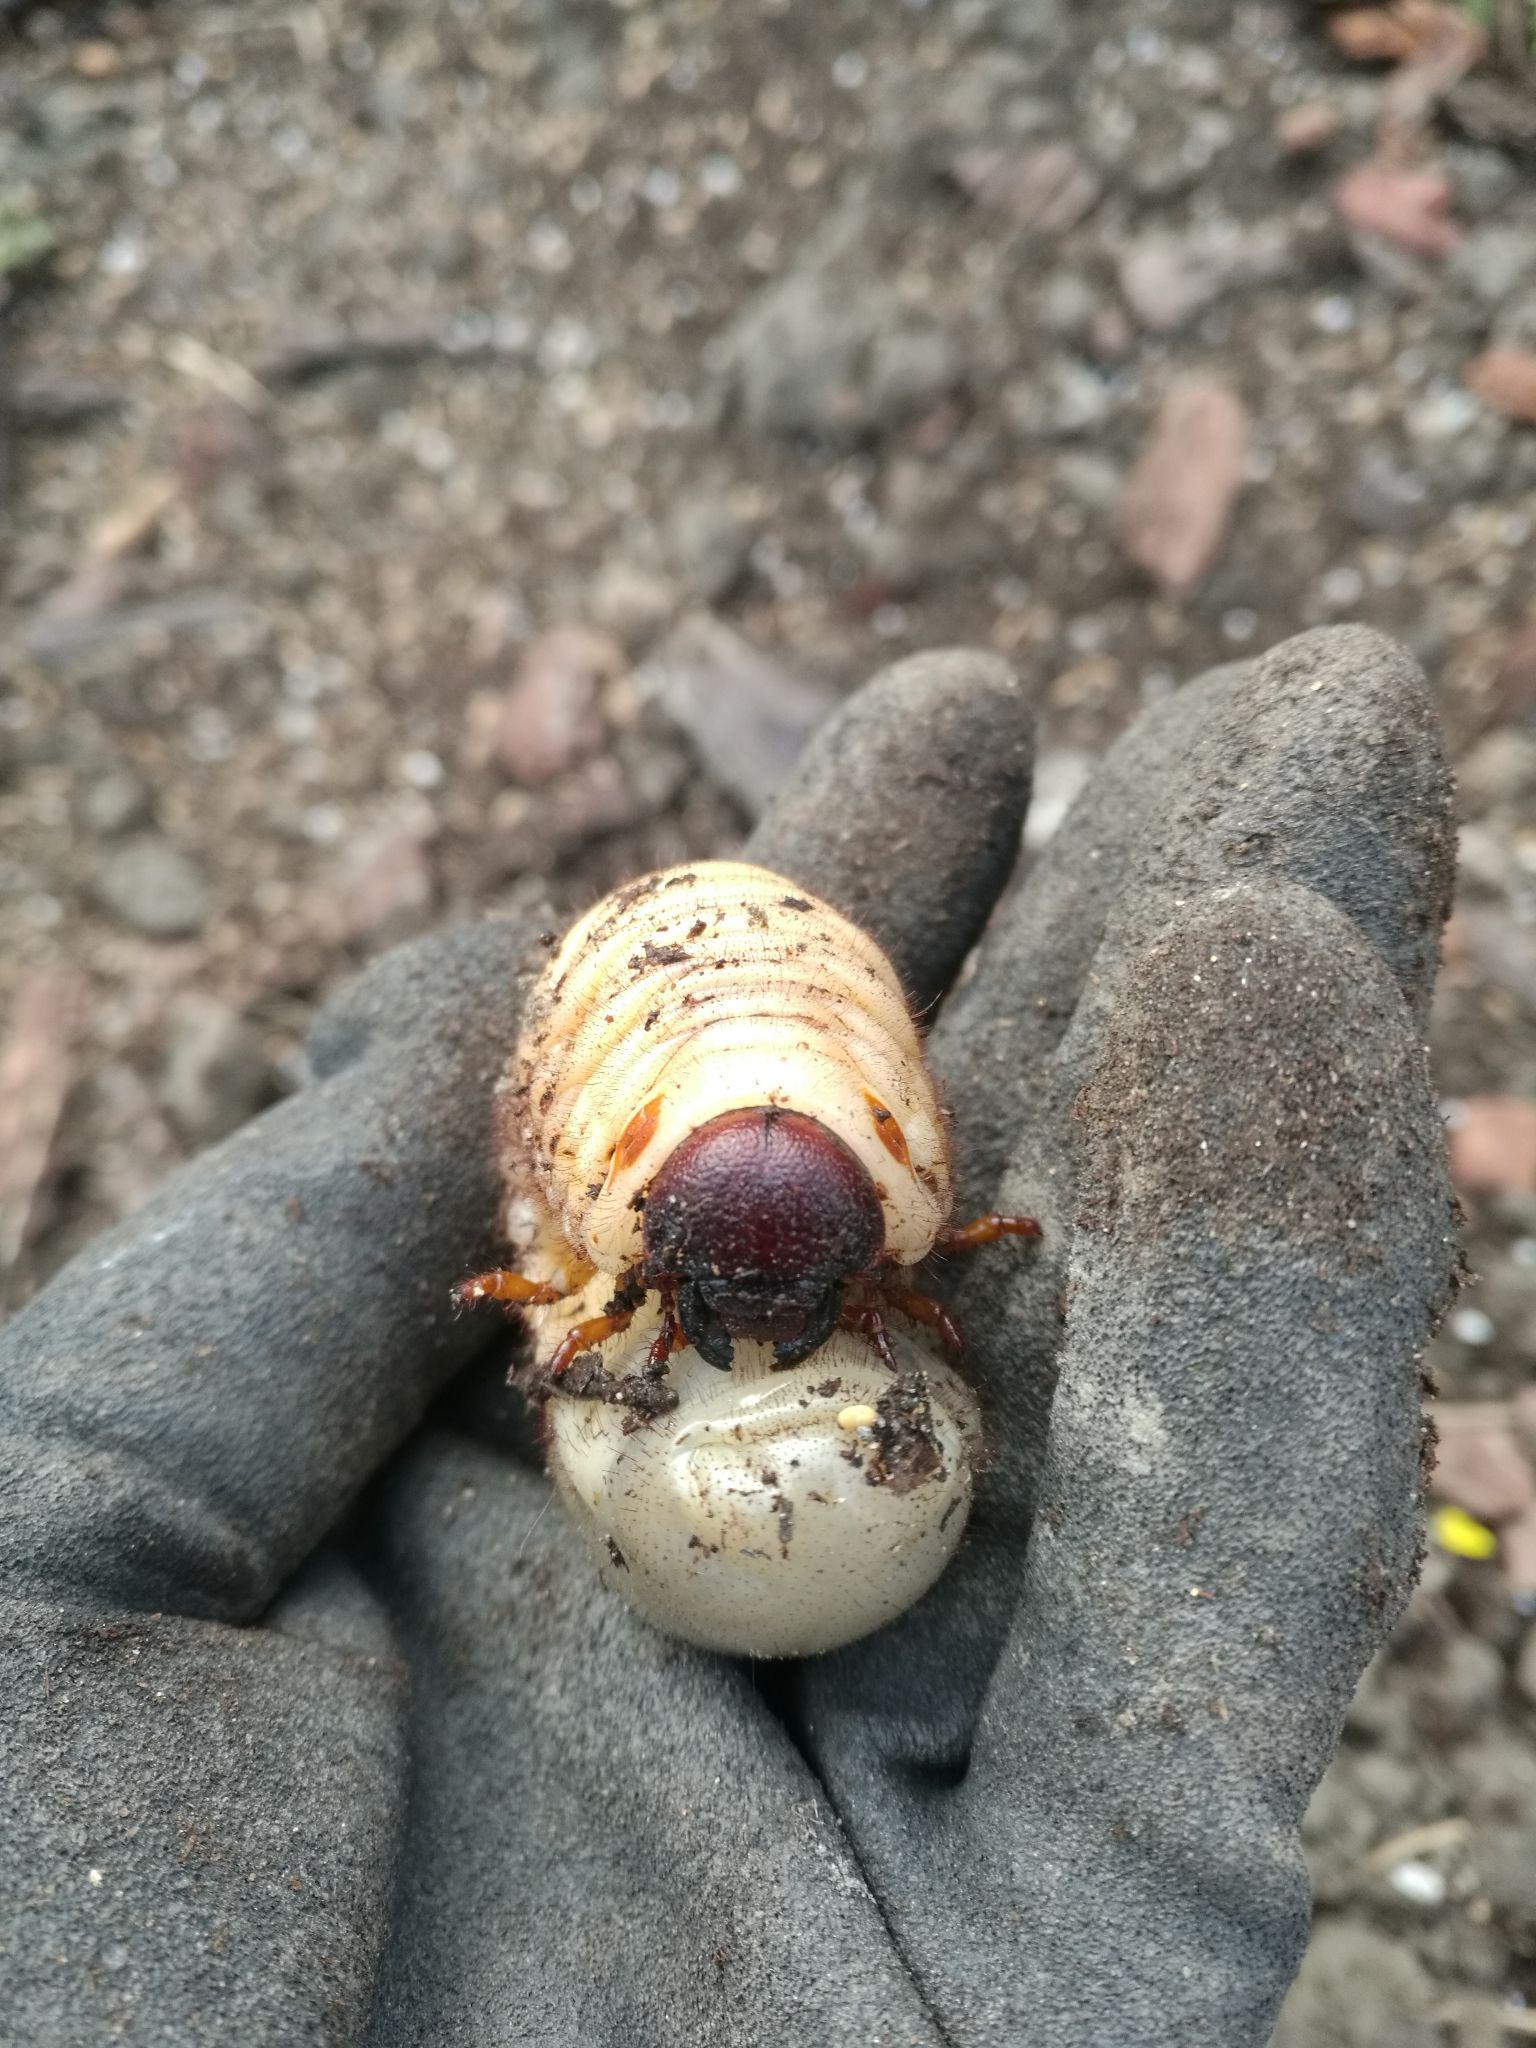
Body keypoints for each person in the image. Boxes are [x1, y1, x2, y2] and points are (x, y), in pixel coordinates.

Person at [0, 627, 1456, 2047]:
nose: (760, 1346)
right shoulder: (715, 1228)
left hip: (709, 1042)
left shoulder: (794, 1229)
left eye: (797, 1313)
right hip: (688, 1044)